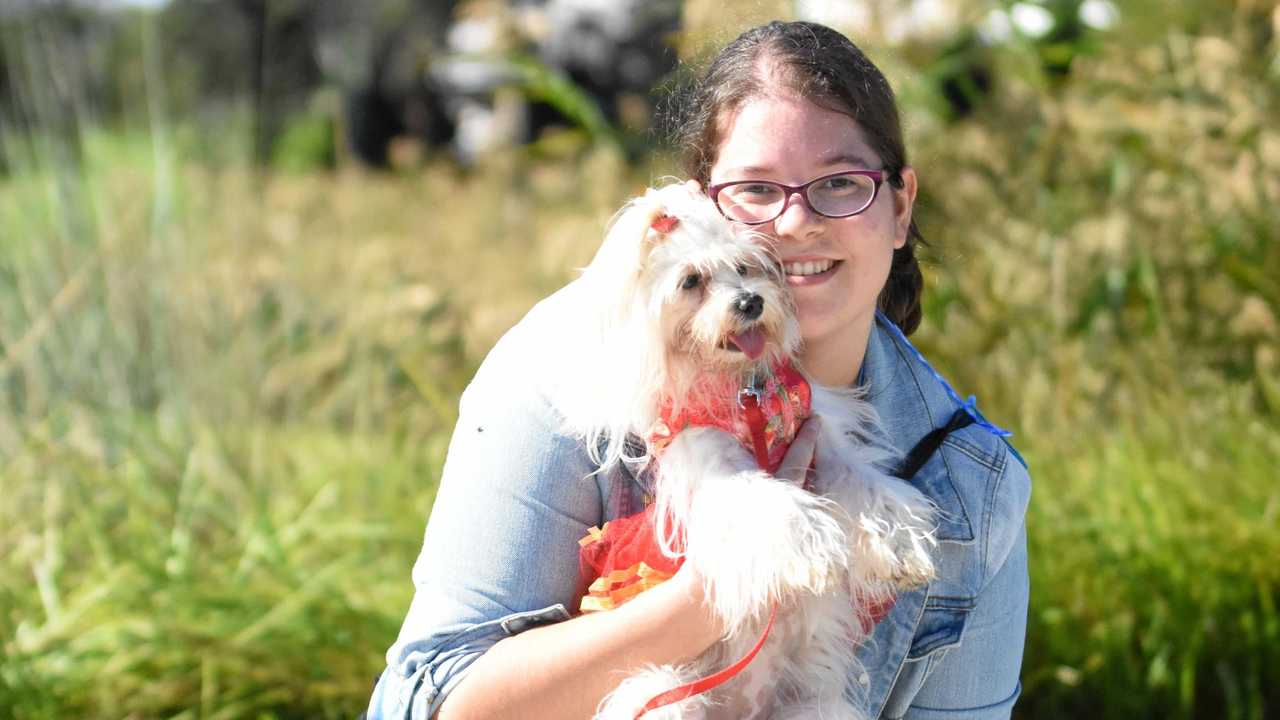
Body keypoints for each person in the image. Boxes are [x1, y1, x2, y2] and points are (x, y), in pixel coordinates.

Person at [365, 20, 1030, 720]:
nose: (797, 222)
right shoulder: (560, 374)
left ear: (900, 208)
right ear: (697, 208)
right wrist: (705, 599)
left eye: (840, 183)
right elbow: (432, 704)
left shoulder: (970, 484)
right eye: (757, 189)